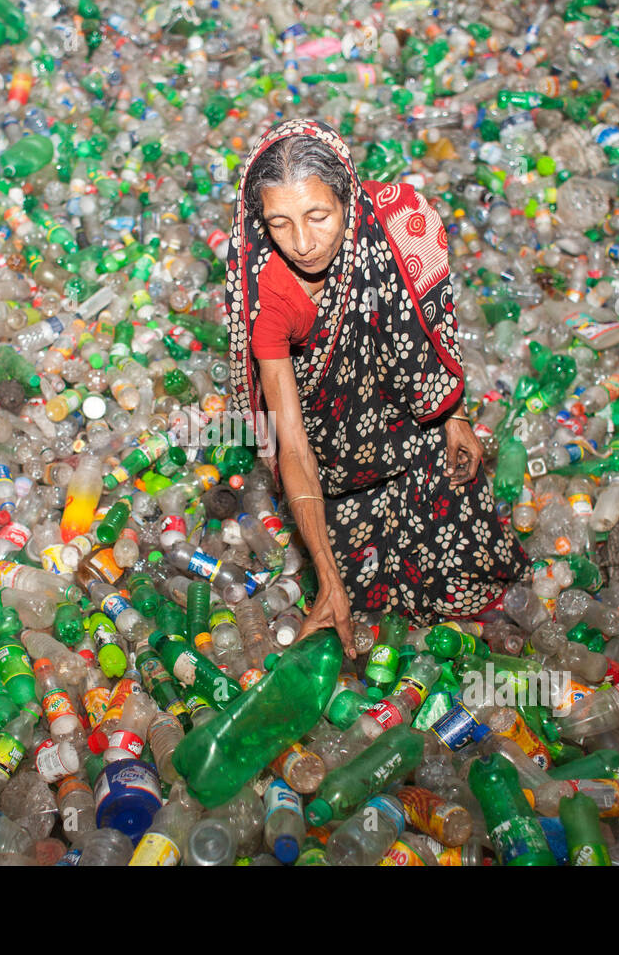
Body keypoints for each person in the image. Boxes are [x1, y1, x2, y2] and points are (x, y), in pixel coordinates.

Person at [225, 118, 528, 657]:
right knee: (357, 587)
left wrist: (453, 413)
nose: (302, 242)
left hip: (404, 420)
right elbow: (293, 443)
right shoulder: (270, 301)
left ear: (349, 200)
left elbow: (428, 332)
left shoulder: (397, 226)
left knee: (461, 535)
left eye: (318, 216)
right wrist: (327, 578)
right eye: (279, 223)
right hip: (334, 451)